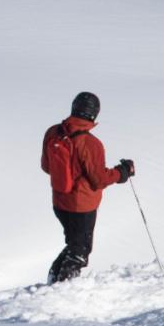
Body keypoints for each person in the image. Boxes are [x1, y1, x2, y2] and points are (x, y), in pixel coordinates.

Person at [41, 91, 134, 283]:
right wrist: (122, 172)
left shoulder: (53, 132)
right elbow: (99, 179)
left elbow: (46, 166)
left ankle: (54, 280)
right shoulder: (90, 143)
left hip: (59, 202)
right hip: (82, 207)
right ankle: (62, 287)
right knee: (80, 249)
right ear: (94, 114)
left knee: (74, 243)